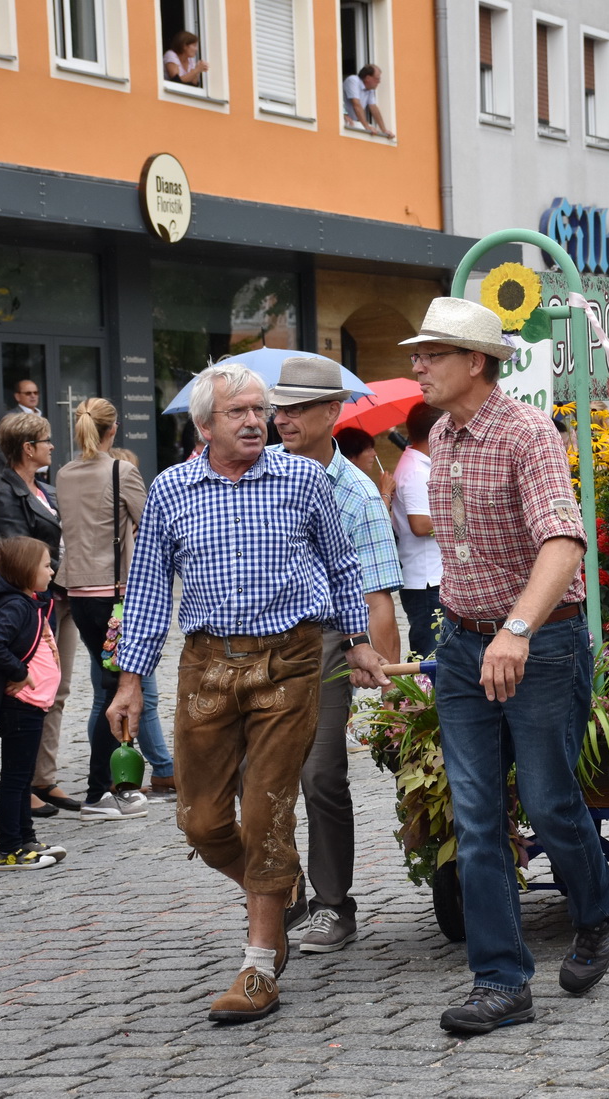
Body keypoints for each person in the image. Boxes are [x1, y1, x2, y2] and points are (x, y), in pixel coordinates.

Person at [107, 361, 387, 1024]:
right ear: (205, 425)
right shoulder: (172, 490)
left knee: (266, 812)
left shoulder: (303, 479)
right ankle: (277, 881)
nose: (257, 421)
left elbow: (342, 566)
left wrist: (358, 638)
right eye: (239, 412)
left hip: (290, 661)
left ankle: (260, 964)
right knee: (202, 821)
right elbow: (146, 590)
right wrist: (129, 681)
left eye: (260, 409)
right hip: (206, 667)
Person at [404, 297, 609, 1037]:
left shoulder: (527, 432)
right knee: (475, 815)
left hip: (543, 642)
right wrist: (467, 634)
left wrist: (517, 630)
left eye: (432, 352)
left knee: (549, 798)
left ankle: (598, 905)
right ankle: (501, 979)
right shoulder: (440, 433)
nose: (418, 365)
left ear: (475, 361)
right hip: (463, 645)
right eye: (418, 352)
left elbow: (563, 544)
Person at [269, 356, 405, 957]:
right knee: (258, 776)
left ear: (332, 413)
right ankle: (283, 888)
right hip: (259, 640)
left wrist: (391, 682)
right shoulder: (260, 471)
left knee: (320, 773)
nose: (282, 419)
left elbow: (378, 598)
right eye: (280, 408)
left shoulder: (355, 495)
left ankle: (333, 902)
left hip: (326, 643)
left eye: (298, 408)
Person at [54, 398, 170, 818]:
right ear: (113, 430)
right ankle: (102, 791)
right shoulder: (121, 471)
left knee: (108, 683)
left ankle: (109, 786)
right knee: (117, 688)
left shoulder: (64, 474)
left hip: (79, 593)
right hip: (116, 595)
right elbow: (152, 523)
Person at [0, 411, 81, 821]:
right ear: (28, 448)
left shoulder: (45, 488)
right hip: (34, 603)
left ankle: (44, 775)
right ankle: (24, 784)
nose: (52, 447)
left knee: (57, 689)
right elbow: (17, 551)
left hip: (61, 595)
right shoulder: (4, 491)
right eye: (46, 440)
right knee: (29, 691)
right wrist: (55, 576)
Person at [0, 537, 67, 871]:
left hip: (34, 705)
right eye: (45, 565)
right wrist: (20, 672)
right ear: (26, 571)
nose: (51, 570)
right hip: (20, 705)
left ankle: (25, 838)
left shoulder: (30, 602)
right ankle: (10, 849)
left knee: (23, 779)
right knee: (14, 779)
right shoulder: (15, 606)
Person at [393, 401, 446, 660]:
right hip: (426, 580)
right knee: (429, 654)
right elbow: (421, 525)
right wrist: (461, 518)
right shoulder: (415, 470)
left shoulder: (423, 464)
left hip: (433, 577)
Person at [342, 64, 394, 138]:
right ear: (368, 78)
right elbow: (356, 105)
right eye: (377, 79)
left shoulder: (369, 89)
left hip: (354, 122)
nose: (379, 82)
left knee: (374, 133)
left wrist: (384, 130)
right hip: (343, 119)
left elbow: (374, 109)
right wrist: (366, 126)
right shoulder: (353, 80)